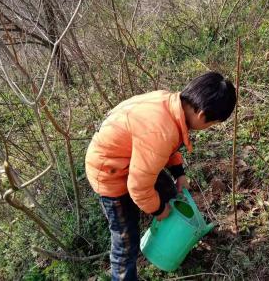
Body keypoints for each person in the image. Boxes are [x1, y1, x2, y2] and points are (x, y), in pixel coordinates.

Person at [85, 71, 236, 280]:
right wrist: (158, 209)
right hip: (110, 174)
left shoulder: (170, 104)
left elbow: (166, 146)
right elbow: (138, 186)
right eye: (211, 125)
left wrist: (179, 173)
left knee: (170, 195)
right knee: (125, 241)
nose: (207, 128)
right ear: (201, 115)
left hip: (130, 161)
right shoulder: (160, 130)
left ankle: (172, 240)